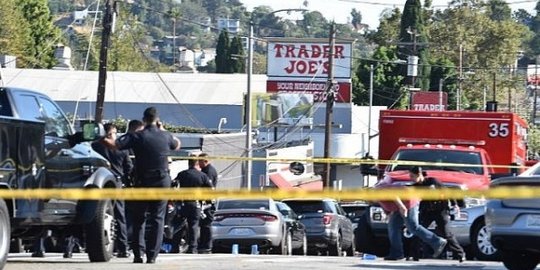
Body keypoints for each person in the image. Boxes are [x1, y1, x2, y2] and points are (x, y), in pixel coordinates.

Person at [103, 107, 180, 264]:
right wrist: (163, 129)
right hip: (162, 181)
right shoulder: (165, 136)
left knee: (139, 219)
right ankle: (152, 256)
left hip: (143, 181)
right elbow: (177, 144)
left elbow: (114, 145)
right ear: (157, 120)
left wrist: (99, 138)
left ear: (144, 120)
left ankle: (138, 254)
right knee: (158, 218)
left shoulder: (137, 136)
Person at [377, 166, 448, 261]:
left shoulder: (377, 190)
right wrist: (388, 213)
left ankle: (437, 241)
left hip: (409, 201)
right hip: (400, 205)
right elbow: (384, 204)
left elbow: (394, 194)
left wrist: (402, 208)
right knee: (393, 227)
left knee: (413, 227)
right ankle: (397, 253)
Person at [92, 123, 133, 258]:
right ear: (113, 133)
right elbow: (128, 168)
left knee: (97, 215)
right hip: (117, 182)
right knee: (120, 216)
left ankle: (95, 244)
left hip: (100, 182)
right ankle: (123, 248)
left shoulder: (96, 146)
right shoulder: (122, 149)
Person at [411, 166, 465, 262]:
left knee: (446, 233)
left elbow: (447, 192)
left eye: (412, 176)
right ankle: (415, 255)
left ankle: (460, 254)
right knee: (418, 230)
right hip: (427, 211)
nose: (411, 178)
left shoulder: (433, 181)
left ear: (419, 175)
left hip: (440, 210)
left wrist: (455, 205)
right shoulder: (416, 186)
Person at [175, 155, 213, 254]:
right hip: (195, 204)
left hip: (183, 203)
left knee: (179, 225)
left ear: (189, 163)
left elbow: (174, 185)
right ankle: (192, 248)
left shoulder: (182, 174)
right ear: (197, 163)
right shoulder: (202, 175)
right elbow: (210, 189)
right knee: (193, 225)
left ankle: (174, 246)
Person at [197, 153, 217, 253]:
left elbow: (208, 187)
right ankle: (203, 244)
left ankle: (206, 245)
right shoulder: (205, 170)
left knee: (206, 224)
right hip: (206, 201)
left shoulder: (208, 171)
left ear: (205, 161)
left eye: (200, 161)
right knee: (204, 224)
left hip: (207, 201)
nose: (198, 163)